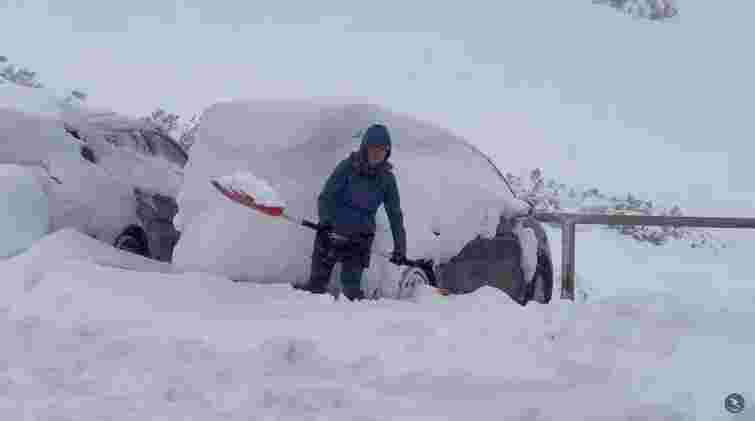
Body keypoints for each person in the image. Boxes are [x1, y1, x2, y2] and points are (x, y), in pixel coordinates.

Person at [295, 123, 408, 301]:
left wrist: (400, 247)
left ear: (388, 151)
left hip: (359, 238)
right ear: (365, 148)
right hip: (332, 230)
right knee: (315, 287)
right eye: (373, 148)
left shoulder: (387, 179)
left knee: (351, 294)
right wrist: (325, 221)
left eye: (382, 149)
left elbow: (395, 214)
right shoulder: (348, 167)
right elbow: (326, 196)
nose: (377, 153)